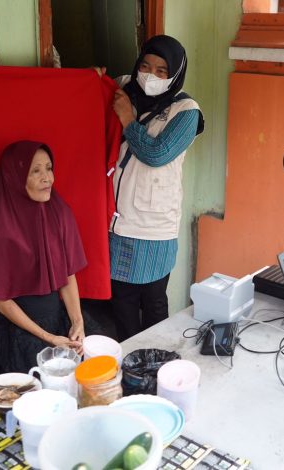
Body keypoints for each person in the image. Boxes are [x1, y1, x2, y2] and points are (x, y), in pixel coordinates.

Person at [0, 140, 95, 381]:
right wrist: (49, 338)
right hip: (19, 328)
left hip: (57, 318)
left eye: (48, 168)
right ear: (15, 178)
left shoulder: (59, 213)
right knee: (49, 380)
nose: (47, 178)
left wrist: (77, 322)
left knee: (92, 367)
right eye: (35, 171)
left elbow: (68, 276)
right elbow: (1, 302)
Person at [106, 35, 204, 341]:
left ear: (174, 74)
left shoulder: (186, 111)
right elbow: (93, 86)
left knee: (153, 302)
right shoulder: (125, 88)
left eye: (162, 71)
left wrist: (127, 120)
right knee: (121, 301)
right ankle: (127, 361)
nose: (151, 75)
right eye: (145, 66)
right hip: (117, 221)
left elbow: (156, 154)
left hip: (154, 227)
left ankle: (156, 359)